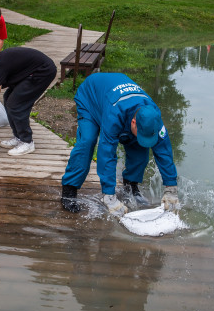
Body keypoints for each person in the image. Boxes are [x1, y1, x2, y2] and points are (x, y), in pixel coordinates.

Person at [60, 73, 179, 215]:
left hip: (116, 97)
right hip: (91, 97)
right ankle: (69, 190)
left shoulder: (153, 117)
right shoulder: (114, 116)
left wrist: (171, 188)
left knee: (140, 149)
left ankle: (130, 187)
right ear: (133, 122)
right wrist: (109, 196)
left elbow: (164, 150)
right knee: (87, 141)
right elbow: (107, 154)